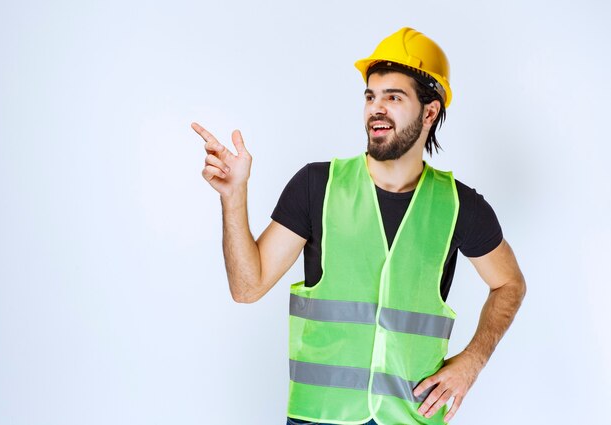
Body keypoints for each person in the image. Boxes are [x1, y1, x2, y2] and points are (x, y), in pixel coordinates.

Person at [193, 27, 526, 425]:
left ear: (430, 111)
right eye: (370, 96)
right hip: (319, 417)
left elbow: (509, 284)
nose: (376, 108)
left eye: (393, 97)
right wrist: (234, 197)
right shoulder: (317, 186)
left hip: (410, 418)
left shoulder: (459, 206)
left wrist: (471, 362)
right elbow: (247, 288)